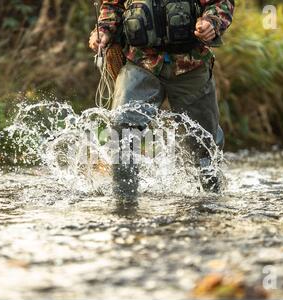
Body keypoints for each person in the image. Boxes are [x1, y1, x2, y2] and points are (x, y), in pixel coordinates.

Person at [89, 0, 235, 198]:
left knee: (204, 142)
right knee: (122, 130)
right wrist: (103, 31)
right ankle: (123, 203)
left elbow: (220, 3)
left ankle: (212, 204)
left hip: (190, 65)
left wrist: (212, 22)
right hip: (140, 63)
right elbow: (112, 7)